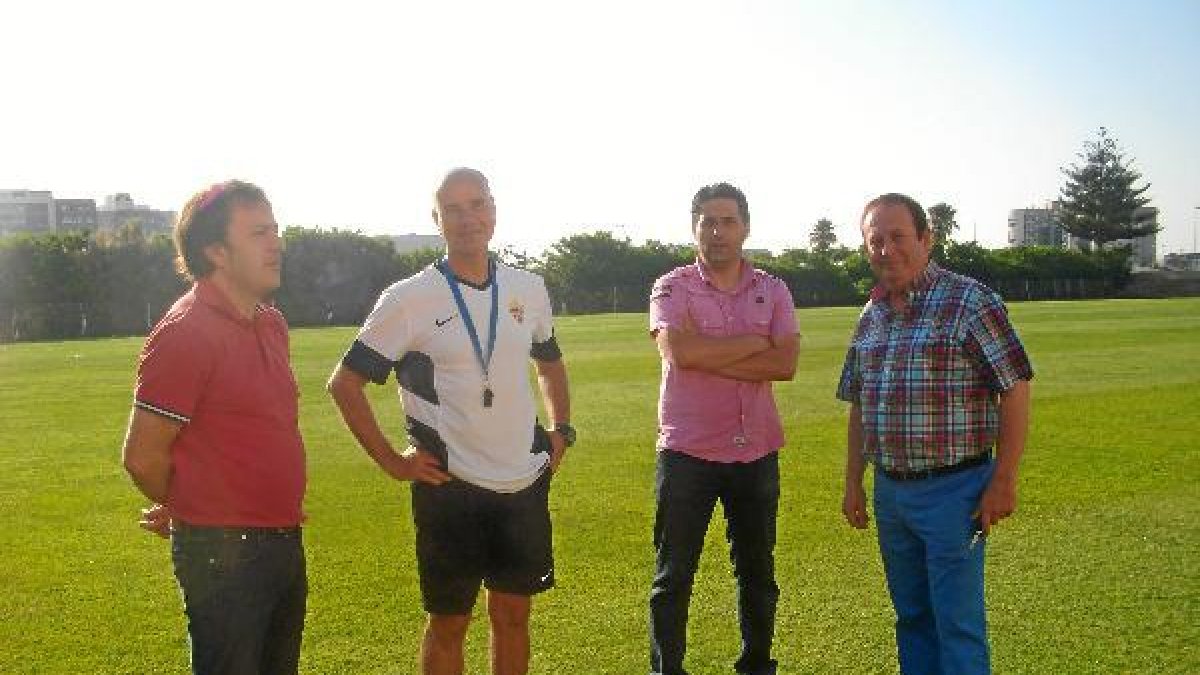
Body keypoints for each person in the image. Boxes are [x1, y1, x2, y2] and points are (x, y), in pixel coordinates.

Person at [326, 167, 574, 675]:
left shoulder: (527, 287)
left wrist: (561, 429)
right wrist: (394, 462)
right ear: (436, 220)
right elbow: (344, 383)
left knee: (513, 614)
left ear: (494, 211)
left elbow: (548, 360)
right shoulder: (408, 298)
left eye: (477, 204)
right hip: (450, 485)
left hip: (524, 479)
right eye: (454, 209)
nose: (468, 219)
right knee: (449, 623)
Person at [837, 193, 1033, 674]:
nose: (887, 250)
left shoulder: (969, 301)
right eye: (875, 240)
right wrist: (852, 482)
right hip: (891, 492)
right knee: (912, 619)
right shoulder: (872, 315)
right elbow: (860, 405)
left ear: (926, 239)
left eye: (898, 237)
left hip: (956, 490)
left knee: (957, 624)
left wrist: (1003, 479)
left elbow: (1015, 388)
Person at [121, 180, 308, 675]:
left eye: (275, 230)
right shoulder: (185, 332)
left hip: (283, 540)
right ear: (216, 252)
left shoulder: (271, 323)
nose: (276, 244)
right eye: (259, 233)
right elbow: (142, 456)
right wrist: (195, 508)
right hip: (224, 556)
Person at [647, 182, 798, 675]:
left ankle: (756, 665)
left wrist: (712, 356)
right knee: (674, 576)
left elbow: (787, 362)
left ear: (745, 227)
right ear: (695, 228)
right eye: (708, 221)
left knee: (757, 573)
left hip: (756, 451)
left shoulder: (772, 288)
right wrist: (755, 343)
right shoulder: (671, 286)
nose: (717, 231)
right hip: (687, 452)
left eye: (728, 221)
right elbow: (681, 353)